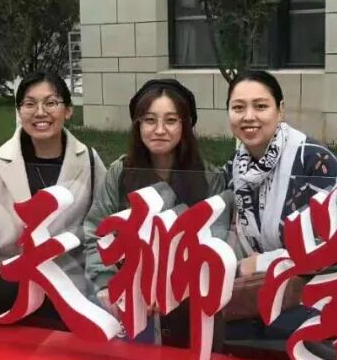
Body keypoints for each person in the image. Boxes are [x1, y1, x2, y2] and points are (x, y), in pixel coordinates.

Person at [222, 69, 337, 360]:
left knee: (276, 331)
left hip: (335, 283)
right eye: (238, 107)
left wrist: (261, 263)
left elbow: (333, 248)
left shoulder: (313, 161)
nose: (248, 116)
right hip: (273, 286)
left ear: (280, 111)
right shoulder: (237, 166)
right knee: (226, 328)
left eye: (260, 106)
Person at [0, 71, 106, 333]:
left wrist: (105, 282)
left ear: (68, 110)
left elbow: (103, 225)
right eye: (30, 104)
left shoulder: (88, 161)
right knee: (11, 299)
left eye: (51, 103)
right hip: (12, 277)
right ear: (19, 111)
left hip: (69, 277)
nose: (40, 112)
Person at [82, 78, 230, 346]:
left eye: (171, 120)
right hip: (129, 301)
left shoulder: (210, 178)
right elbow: (96, 232)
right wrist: (107, 283)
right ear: (138, 124)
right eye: (150, 120)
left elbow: (216, 243)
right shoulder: (121, 173)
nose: (159, 130)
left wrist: (170, 289)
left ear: (186, 125)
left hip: (190, 303)